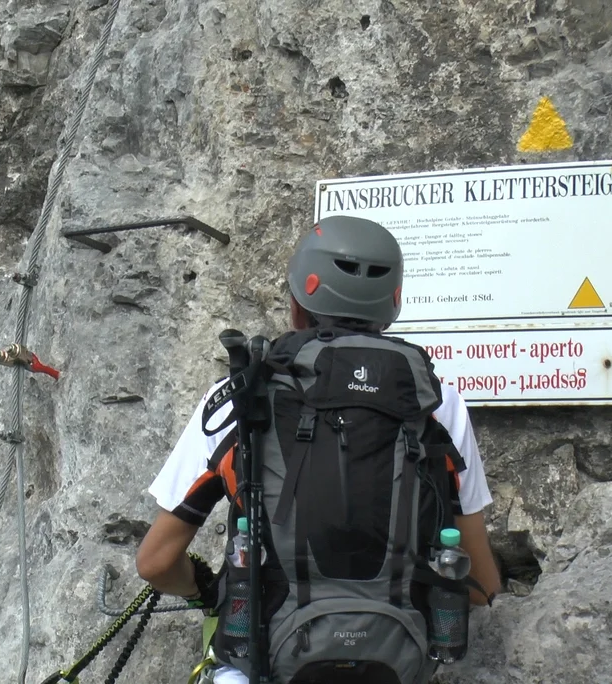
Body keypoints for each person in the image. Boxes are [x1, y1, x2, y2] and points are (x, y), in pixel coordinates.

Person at [136, 215, 502, 684]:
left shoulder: (240, 394)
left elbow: (156, 563)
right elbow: (481, 586)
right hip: (398, 660)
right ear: (394, 303)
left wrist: (210, 592)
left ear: (296, 305)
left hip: (266, 662)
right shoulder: (437, 403)